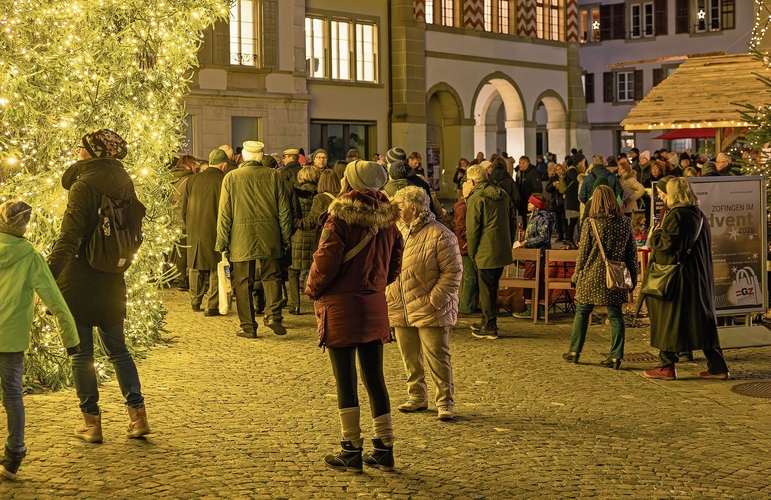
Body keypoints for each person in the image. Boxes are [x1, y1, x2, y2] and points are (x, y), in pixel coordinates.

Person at [47, 129, 150, 442]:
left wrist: (47, 275)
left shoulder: (83, 184)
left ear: (93, 152)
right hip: (111, 277)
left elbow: (69, 237)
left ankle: (92, 424)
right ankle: (138, 416)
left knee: (81, 354)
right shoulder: (125, 182)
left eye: (82, 146)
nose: (78, 151)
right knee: (118, 350)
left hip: (79, 276)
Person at [305, 161, 403, 472]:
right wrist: (373, 285)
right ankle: (384, 448)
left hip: (342, 306)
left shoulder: (339, 217)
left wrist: (312, 289)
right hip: (374, 305)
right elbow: (395, 264)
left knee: (345, 379)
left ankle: (350, 448)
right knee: (376, 378)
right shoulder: (389, 219)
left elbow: (326, 260)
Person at [0, 201, 80, 479]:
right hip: (11, 338)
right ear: (24, 225)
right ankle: (14, 453)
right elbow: (54, 299)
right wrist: (71, 339)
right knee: (12, 396)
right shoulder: (30, 257)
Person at [386, 186, 461, 421]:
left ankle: (445, 401)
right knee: (409, 357)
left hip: (430, 307)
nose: (396, 210)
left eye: (399, 205)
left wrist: (434, 301)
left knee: (437, 355)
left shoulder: (440, 234)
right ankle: (417, 396)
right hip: (401, 305)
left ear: (414, 207)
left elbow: (453, 273)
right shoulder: (395, 231)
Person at [643, 178, 729, 380]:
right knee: (700, 323)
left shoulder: (678, 215)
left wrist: (654, 235)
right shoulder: (696, 213)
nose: (660, 196)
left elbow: (667, 245)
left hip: (678, 279)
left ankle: (666, 366)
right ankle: (718, 367)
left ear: (673, 193)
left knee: (668, 320)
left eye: (664, 192)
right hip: (695, 277)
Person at [216, 140, 293, 338]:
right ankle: (273, 315)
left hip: (240, 238)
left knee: (243, 281)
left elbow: (224, 214)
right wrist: (285, 239)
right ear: (261, 157)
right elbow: (284, 212)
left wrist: (222, 242)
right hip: (270, 235)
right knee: (272, 276)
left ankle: (248, 325)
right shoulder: (273, 177)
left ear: (243, 157)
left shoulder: (231, 178)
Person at [563, 185, 638, 369]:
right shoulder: (625, 223)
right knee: (615, 315)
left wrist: (576, 274)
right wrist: (633, 278)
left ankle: (574, 351)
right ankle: (615, 356)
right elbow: (632, 254)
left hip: (592, 275)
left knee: (582, 311)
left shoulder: (591, 223)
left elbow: (583, 253)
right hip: (616, 277)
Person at [465, 165, 516, 339]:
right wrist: (508, 242)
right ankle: (487, 320)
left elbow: (472, 230)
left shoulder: (476, 198)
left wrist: (472, 252)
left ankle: (490, 325)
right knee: (492, 287)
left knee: (485, 288)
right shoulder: (502, 194)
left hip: (484, 251)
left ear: (472, 181)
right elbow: (513, 220)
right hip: (501, 249)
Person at [181, 148, 229, 316]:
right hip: (216, 229)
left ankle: (195, 301)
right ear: (223, 165)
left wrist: (190, 225)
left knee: (195, 266)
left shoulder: (192, 180)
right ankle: (212, 305)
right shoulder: (224, 181)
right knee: (216, 268)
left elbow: (184, 209)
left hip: (194, 230)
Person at [512, 196, 554, 320]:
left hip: (538, 254)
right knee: (529, 277)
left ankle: (534, 308)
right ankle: (531, 306)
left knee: (534, 279)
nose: (528, 204)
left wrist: (527, 242)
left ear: (537, 205)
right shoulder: (534, 217)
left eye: (530, 203)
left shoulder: (542, 218)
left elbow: (543, 237)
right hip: (532, 254)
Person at [287, 166, 320, 315]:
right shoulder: (319, 194)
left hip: (297, 235)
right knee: (315, 271)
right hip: (315, 237)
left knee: (293, 272)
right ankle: (316, 302)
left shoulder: (294, 193)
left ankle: (295, 305)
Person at [170, 154, 196, 291]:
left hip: (172, 219)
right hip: (184, 219)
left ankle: (177, 277)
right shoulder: (189, 179)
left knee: (177, 250)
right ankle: (184, 280)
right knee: (185, 251)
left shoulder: (171, 177)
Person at [454, 180, 479, 315]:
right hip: (465, 246)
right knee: (470, 278)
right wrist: (471, 238)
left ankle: (472, 304)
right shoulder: (463, 207)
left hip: (466, 245)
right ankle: (465, 306)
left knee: (472, 277)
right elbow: (461, 228)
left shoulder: (464, 205)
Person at [304, 169, 340, 241]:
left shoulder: (319, 198)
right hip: (339, 235)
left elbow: (312, 221)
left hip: (325, 236)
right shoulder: (342, 196)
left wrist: (295, 222)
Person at [516, 156, 543, 227]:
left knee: (531, 223)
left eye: (520, 163)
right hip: (523, 202)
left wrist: (532, 201)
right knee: (524, 222)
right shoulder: (521, 173)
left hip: (530, 203)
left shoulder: (532, 173)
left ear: (526, 163)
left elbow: (538, 188)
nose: (519, 165)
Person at [545, 163, 567, 242]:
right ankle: (560, 236)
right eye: (557, 170)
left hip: (563, 200)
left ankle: (566, 236)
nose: (558, 171)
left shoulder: (565, 177)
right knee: (558, 220)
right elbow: (547, 189)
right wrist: (553, 185)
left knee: (564, 219)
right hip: (556, 202)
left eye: (560, 169)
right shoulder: (553, 178)